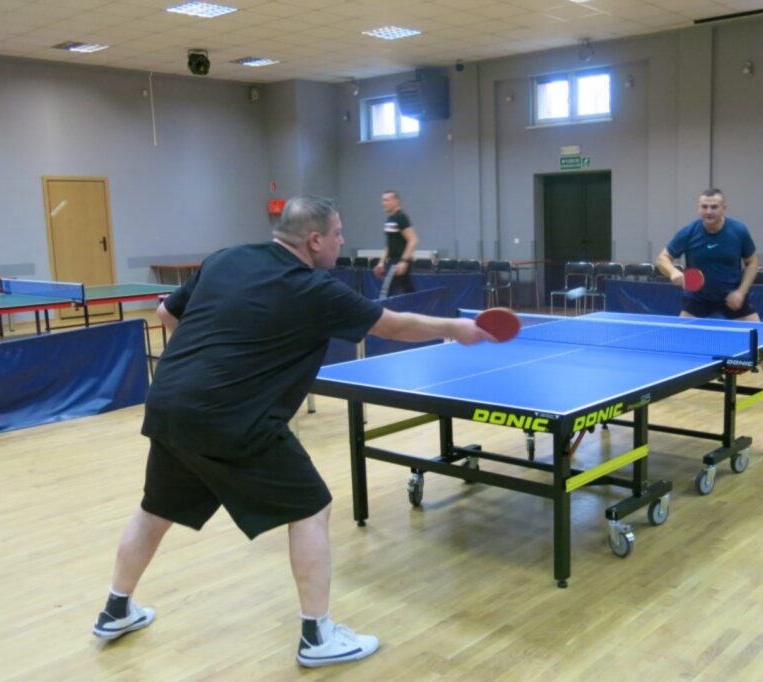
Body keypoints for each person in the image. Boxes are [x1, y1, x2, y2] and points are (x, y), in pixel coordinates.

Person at [91, 196, 493, 668]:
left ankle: (116, 608)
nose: (343, 241)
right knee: (311, 508)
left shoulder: (226, 258)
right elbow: (392, 326)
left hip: (170, 404)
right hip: (233, 417)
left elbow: (166, 314)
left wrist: (208, 363)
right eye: (338, 233)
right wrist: (457, 328)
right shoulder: (313, 289)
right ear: (314, 240)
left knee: (155, 508)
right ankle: (317, 637)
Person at [654, 188, 763, 408]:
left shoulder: (738, 231)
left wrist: (741, 292)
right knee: (677, 341)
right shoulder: (689, 232)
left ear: (723, 208)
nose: (709, 211)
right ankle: (659, 385)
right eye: (704, 207)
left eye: (714, 207)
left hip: (732, 297)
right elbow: (662, 258)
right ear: (699, 208)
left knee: (761, 343)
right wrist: (673, 272)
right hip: (698, 298)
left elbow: (752, 261)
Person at [372, 190, 418, 298]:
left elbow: (413, 240)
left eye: (387, 200)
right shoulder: (390, 220)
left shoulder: (400, 217)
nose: (383, 203)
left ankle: (381, 308)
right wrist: (381, 262)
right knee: (410, 292)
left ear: (396, 201)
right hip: (394, 261)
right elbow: (389, 244)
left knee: (385, 294)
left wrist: (403, 261)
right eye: (383, 200)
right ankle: (422, 306)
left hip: (398, 263)